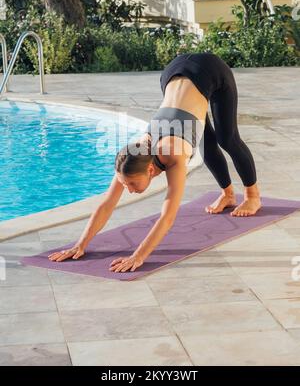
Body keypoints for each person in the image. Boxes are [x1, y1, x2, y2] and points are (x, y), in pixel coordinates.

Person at [48, 52, 261, 272]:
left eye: (130, 185)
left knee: (227, 139)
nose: (128, 189)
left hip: (209, 70)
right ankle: (227, 194)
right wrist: (80, 244)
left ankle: (252, 197)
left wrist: (138, 256)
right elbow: (107, 204)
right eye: (125, 184)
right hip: (172, 73)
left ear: (150, 169)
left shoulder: (174, 156)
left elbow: (168, 217)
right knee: (203, 142)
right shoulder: (131, 158)